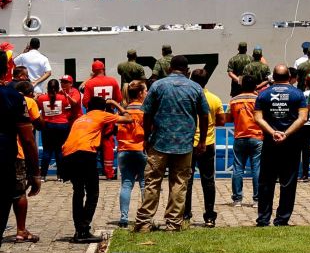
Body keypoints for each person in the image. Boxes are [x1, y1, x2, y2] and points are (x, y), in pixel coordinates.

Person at [133, 56, 209, 232]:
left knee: (152, 182)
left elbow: (147, 113)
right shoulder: (195, 87)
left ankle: (144, 222)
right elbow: (204, 116)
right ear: (187, 70)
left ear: (169, 69)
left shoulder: (158, 86)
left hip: (159, 142)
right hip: (184, 144)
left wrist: (146, 137)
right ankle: (173, 223)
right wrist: (202, 140)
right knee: (179, 182)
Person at [63, 96, 133, 242]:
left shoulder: (81, 118)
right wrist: (115, 104)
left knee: (78, 192)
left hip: (68, 153)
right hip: (85, 153)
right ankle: (84, 229)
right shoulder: (101, 114)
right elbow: (128, 118)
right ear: (103, 108)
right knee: (93, 193)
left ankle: (79, 230)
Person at [253, 64, 308, 226]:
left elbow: (258, 118)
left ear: (273, 77)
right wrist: (286, 133)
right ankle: (282, 218)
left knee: (266, 181)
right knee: (288, 182)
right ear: (289, 75)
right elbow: (303, 118)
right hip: (291, 143)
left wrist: (273, 132)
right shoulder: (298, 94)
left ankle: (263, 218)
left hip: (270, 142)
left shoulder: (263, 95)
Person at [185, 69, 225, 226]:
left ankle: (185, 214)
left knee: (187, 181)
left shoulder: (187, 97)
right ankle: (209, 216)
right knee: (208, 180)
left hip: (189, 143)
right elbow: (221, 121)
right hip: (207, 143)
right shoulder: (214, 99)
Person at [11, 80, 42, 244]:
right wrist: (36, 173)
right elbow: (36, 127)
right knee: (19, 192)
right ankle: (21, 230)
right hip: (16, 151)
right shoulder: (27, 101)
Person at [81, 60, 123, 179]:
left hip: (94, 117)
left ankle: (92, 171)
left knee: (92, 143)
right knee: (108, 143)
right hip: (108, 116)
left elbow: (85, 103)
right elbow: (118, 98)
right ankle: (109, 172)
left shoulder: (90, 83)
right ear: (103, 69)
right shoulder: (113, 81)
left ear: (93, 71)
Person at [227, 74, 263, 207]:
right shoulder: (259, 99)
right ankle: (257, 199)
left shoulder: (234, 100)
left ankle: (237, 199)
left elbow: (228, 119)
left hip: (240, 136)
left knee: (237, 168)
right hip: (257, 136)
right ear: (255, 85)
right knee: (257, 168)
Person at [116, 80, 147, 228]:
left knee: (126, 184)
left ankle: (123, 219)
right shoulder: (144, 111)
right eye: (145, 91)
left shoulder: (123, 110)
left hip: (123, 150)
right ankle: (145, 217)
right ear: (140, 93)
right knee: (144, 183)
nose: (146, 93)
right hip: (140, 149)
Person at [36, 78, 71, 181]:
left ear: (47, 88)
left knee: (47, 151)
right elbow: (67, 109)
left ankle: (43, 176)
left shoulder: (41, 98)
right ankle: (60, 176)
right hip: (62, 126)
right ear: (57, 88)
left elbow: (37, 107)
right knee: (59, 151)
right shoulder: (63, 98)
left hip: (47, 126)